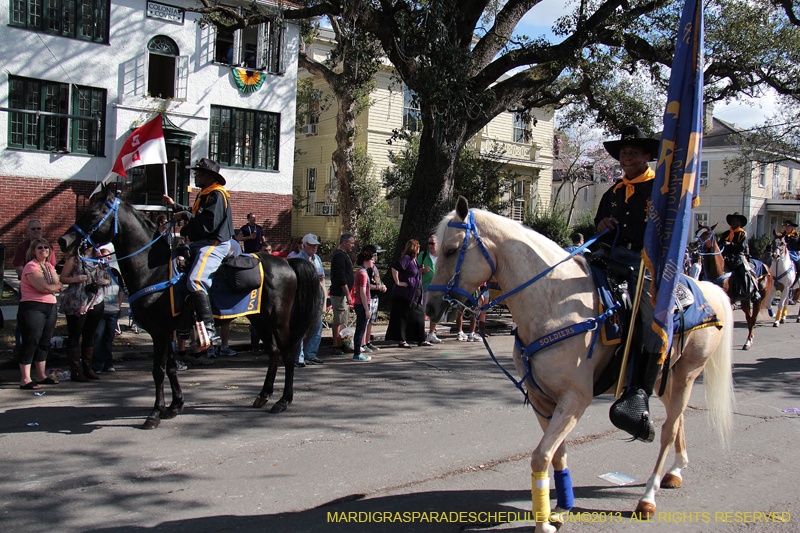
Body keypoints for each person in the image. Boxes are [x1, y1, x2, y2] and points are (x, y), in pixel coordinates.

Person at [593, 125, 662, 442]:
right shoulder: (613, 193)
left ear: (648, 156)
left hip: (644, 262)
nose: (627, 157)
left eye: (633, 152)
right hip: (611, 258)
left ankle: (639, 392)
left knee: (647, 316)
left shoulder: (660, 189)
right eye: (623, 153)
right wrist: (603, 224)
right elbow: (599, 226)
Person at [163, 158, 234, 350]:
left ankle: (209, 331)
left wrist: (185, 217)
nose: (196, 176)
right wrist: (176, 207)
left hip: (215, 244)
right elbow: (196, 212)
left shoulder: (217, 195)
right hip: (201, 244)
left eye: (200, 173)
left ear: (210, 177)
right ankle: (184, 325)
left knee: (195, 280)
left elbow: (209, 224)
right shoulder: (205, 194)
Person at [17, 238, 64, 389]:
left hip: (50, 307)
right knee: (31, 341)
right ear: (33, 251)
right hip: (33, 307)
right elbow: (43, 287)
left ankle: (41, 376)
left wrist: (54, 287)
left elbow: (59, 284)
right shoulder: (31, 266)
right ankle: (25, 378)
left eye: (46, 247)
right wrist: (54, 287)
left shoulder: (49, 266)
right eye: (39, 248)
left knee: (44, 342)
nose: (44, 249)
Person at [60, 245, 109, 382]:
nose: (89, 247)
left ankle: (88, 368)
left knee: (90, 334)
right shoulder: (74, 259)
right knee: (75, 334)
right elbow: (62, 278)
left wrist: (105, 281)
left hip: (96, 299)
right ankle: (75, 371)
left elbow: (108, 277)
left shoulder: (99, 259)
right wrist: (75, 279)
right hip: (77, 300)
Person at [13, 219, 57, 352]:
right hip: (30, 293)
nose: (37, 231)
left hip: (47, 292)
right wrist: (34, 282)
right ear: (28, 231)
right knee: (26, 324)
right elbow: (19, 268)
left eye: (39, 228)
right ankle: (20, 350)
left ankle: (42, 352)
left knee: (46, 325)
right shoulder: (22, 247)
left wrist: (50, 285)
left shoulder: (48, 246)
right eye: (33, 229)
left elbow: (52, 268)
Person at [386, 239, 429, 348]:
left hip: (416, 293)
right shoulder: (406, 258)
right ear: (414, 248)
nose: (419, 247)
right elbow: (395, 269)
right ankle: (402, 340)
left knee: (419, 315)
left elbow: (415, 272)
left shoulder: (415, 260)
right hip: (406, 294)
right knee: (403, 316)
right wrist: (398, 282)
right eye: (418, 246)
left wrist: (421, 270)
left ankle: (421, 339)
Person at [295, 233, 325, 366]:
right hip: (302, 297)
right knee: (300, 327)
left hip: (315, 296)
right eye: (312, 246)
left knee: (317, 326)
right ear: (304, 245)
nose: (314, 248)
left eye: (316, 246)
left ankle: (310, 354)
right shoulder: (297, 260)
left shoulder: (317, 259)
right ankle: (299, 356)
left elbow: (322, 278)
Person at [92, 248, 123, 374]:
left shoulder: (115, 272)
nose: (107, 259)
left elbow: (121, 289)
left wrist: (119, 305)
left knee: (109, 338)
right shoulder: (95, 271)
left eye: (109, 258)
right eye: (105, 257)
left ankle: (108, 363)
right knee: (98, 336)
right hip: (100, 309)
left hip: (113, 309)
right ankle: (97, 364)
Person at [330, 233, 356, 356]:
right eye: (351, 243)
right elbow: (341, 277)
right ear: (344, 243)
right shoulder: (339, 256)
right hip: (340, 293)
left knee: (344, 320)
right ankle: (336, 344)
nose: (353, 245)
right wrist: (348, 293)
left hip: (345, 294)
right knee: (338, 320)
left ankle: (343, 342)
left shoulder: (345, 256)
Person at [360, 245, 386, 353]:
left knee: (371, 321)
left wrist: (382, 285)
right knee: (365, 321)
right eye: (374, 255)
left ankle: (368, 342)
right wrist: (378, 287)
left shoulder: (374, 267)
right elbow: (366, 285)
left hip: (375, 296)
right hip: (368, 296)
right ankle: (362, 343)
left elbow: (378, 280)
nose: (376, 257)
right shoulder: (366, 270)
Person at [418, 235, 442, 344]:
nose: (430, 246)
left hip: (438, 287)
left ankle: (432, 333)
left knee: (435, 311)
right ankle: (421, 333)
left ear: (438, 244)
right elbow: (415, 269)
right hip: (425, 287)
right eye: (429, 243)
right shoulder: (423, 255)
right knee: (423, 311)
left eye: (433, 243)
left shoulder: (442, 256)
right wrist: (422, 270)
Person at [352, 249, 375, 362]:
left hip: (360, 303)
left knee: (360, 329)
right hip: (362, 304)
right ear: (365, 260)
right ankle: (357, 353)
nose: (373, 262)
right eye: (371, 260)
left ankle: (357, 352)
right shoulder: (362, 273)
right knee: (360, 330)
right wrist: (367, 309)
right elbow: (362, 292)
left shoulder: (361, 272)